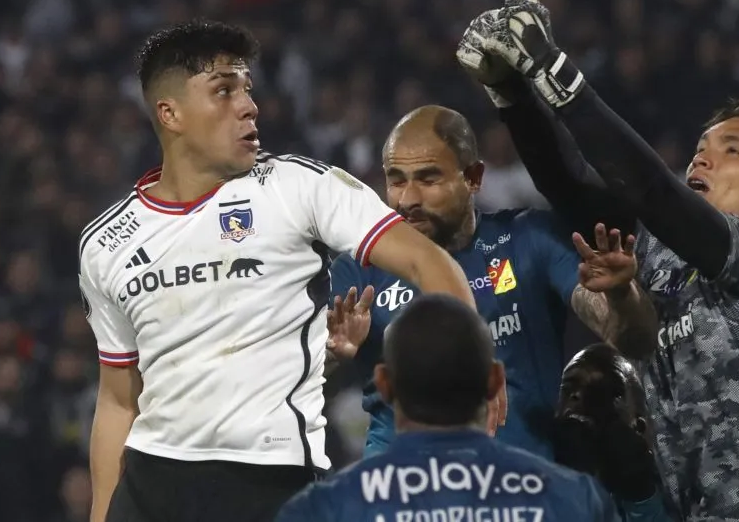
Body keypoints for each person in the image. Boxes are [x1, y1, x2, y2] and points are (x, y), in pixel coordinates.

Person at [455, 0, 739, 520]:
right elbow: (572, 185)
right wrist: (509, 91)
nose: (704, 156)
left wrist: (551, 68)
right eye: (702, 147)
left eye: (733, 150)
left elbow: (653, 190)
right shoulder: (655, 251)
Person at [79, 19, 478, 522]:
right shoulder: (106, 243)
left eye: (247, 88)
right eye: (224, 91)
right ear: (170, 113)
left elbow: (429, 261)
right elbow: (118, 401)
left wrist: (471, 374)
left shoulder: (299, 188)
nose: (249, 106)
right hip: (150, 487)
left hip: (269, 481)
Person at [326, 105, 656, 459]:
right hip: (404, 494)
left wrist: (621, 292)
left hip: (524, 486)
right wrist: (329, 354)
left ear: (474, 177)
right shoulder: (358, 268)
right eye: (396, 180)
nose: (408, 199)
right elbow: (297, 372)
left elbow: (634, 339)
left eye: (428, 178)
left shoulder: (528, 239)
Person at [276, 295, 673, 522]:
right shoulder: (575, 500)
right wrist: (642, 500)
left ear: (384, 385)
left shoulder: (324, 509)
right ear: (495, 382)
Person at [554, 343, 666, 511]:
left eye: (601, 393)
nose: (579, 395)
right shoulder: (524, 486)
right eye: (568, 389)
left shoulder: (679, 493)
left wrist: (641, 499)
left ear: (640, 426)